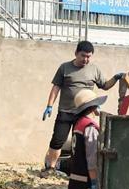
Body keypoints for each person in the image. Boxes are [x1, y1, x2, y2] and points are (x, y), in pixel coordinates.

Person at [41, 40, 123, 176]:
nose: (86, 59)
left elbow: (105, 85)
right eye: (83, 56)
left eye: (89, 56)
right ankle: (51, 168)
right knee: (57, 141)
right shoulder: (65, 68)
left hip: (84, 113)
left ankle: (76, 170)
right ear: (76, 54)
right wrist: (49, 105)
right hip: (66, 111)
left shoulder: (94, 69)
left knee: (79, 144)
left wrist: (115, 78)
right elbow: (56, 87)